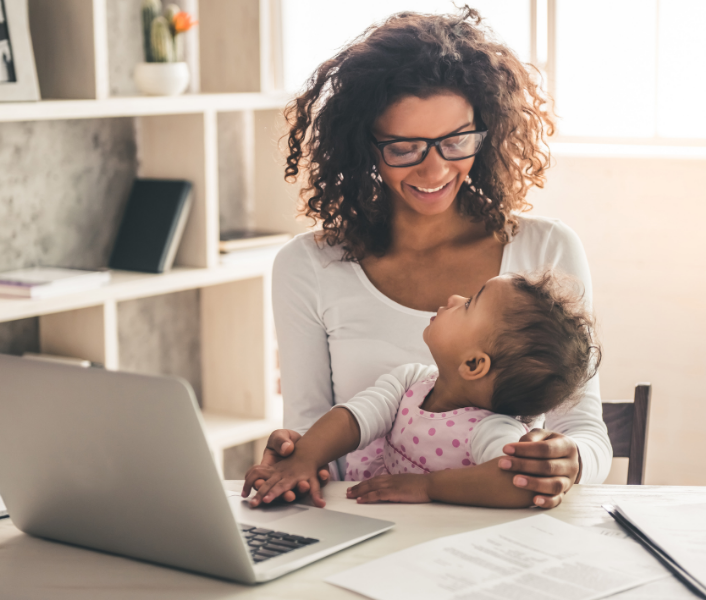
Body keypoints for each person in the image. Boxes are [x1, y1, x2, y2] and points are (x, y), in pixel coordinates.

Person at [258, 6, 612, 509]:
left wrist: (568, 461)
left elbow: (583, 430)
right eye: (404, 148)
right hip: (362, 523)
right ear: (365, 147)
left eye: (455, 141)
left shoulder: (546, 248)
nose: (434, 169)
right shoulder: (307, 266)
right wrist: (296, 455)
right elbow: (313, 430)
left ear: (486, 131)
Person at [244, 272, 601, 508]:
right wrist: (305, 457)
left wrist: (428, 487)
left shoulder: (491, 429)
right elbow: (354, 419)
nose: (454, 296)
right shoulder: (410, 382)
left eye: (469, 304)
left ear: (474, 365)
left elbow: (517, 482)